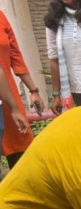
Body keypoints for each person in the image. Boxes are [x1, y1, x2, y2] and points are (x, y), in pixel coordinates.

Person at [0, 10, 44, 168]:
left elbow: (15, 56)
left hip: (7, 99)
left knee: (20, 153)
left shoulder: (1, 17)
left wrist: (34, 90)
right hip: (7, 101)